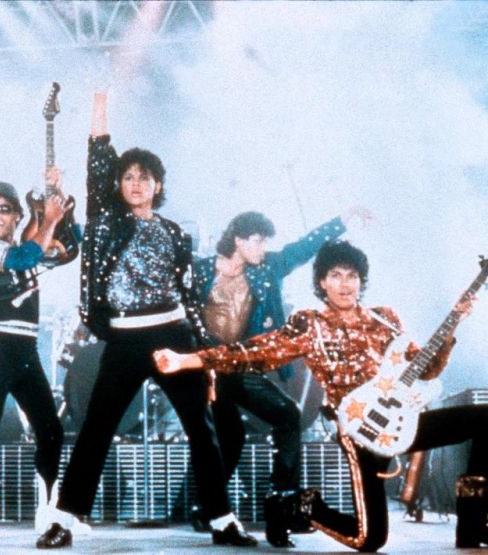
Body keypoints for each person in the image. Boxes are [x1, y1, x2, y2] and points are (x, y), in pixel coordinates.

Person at [155, 240, 487, 551]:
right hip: (361, 431)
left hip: (403, 421)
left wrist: (453, 325)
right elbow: (254, 352)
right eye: (336, 275)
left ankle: (472, 523)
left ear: (361, 281)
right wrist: (189, 360)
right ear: (322, 282)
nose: (345, 284)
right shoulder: (310, 324)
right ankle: (298, 505)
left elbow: (425, 370)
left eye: (352, 276)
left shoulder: (384, 319)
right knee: (369, 539)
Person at [35, 92, 257, 549]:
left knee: (202, 429)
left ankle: (222, 520)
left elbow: (189, 297)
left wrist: (202, 354)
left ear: (158, 185)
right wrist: (100, 98)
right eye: (128, 177)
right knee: (97, 428)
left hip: (174, 336)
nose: (135, 184)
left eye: (145, 177)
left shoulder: (174, 233)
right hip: (124, 339)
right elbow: (99, 155)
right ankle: (64, 518)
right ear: (117, 184)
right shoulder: (106, 220)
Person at [192, 209, 371, 540]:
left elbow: (303, 248)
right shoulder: (200, 271)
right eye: (258, 241)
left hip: (239, 364)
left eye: (265, 242)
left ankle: (280, 502)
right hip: (202, 367)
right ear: (238, 240)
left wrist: (342, 221)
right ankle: (208, 508)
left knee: (286, 414)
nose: (263, 248)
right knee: (229, 435)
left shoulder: (267, 268)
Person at [0, 174, 71, 543]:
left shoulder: (28, 243)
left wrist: (57, 200)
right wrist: (49, 219)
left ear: (17, 215)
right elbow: (24, 258)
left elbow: (69, 247)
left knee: (50, 429)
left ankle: (47, 511)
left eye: (4, 209)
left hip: (27, 349)